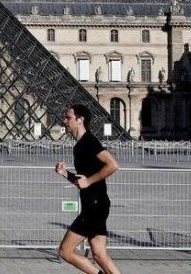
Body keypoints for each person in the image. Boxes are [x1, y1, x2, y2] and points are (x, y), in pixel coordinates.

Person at [54, 104, 121, 274]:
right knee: (99, 254)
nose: (65, 121)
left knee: (65, 251)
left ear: (80, 120)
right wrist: (65, 174)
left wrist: (89, 181)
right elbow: (82, 181)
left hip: (94, 207)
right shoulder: (80, 145)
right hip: (97, 204)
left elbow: (113, 165)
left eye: (68, 117)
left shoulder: (89, 142)